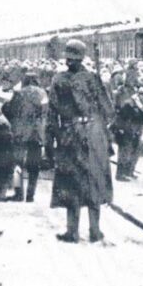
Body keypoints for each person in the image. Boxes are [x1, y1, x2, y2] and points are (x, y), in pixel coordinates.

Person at [46, 39, 115, 243]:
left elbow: (51, 114)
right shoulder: (93, 79)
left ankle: (72, 232)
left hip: (70, 135)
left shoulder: (58, 80)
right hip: (94, 135)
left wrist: (52, 141)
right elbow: (108, 110)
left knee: (71, 182)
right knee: (94, 179)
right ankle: (95, 231)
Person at [2, 71, 47, 202]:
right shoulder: (43, 94)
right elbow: (47, 113)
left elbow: (8, 110)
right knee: (34, 166)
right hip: (37, 134)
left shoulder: (19, 93)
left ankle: (18, 193)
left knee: (17, 164)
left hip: (21, 133)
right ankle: (30, 195)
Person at [113, 85, 143, 181]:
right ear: (140, 95)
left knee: (135, 152)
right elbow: (120, 118)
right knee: (124, 153)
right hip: (127, 130)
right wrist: (120, 129)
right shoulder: (129, 104)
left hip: (137, 130)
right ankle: (120, 174)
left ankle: (129, 171)